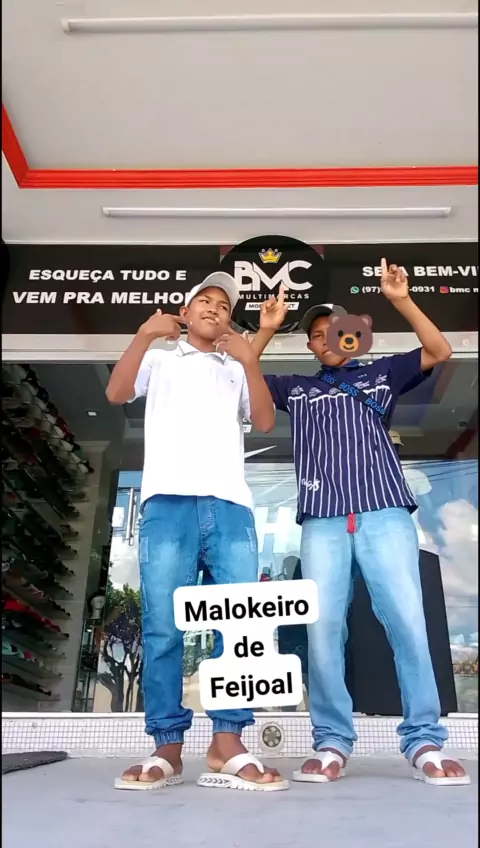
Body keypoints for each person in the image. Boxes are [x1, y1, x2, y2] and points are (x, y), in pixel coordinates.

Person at [250, 259, 470, 786]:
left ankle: (424, 740)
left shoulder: (381, 375)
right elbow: (242, 375)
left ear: (354, 336)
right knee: (324, 629)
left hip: (384, 511)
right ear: (311, 345)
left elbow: (439, 351)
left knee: (408, 623)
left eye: (336, 330)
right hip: (322, 519)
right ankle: (331, 741)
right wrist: (265, 330)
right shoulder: (295, 388)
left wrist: (401, 300)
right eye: (318, 334)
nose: (327, 338)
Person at [106, 271, 288, 792]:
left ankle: (227, 741)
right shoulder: (162, 358)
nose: (214, 308)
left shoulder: (236, 365)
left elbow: (265, 421)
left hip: (230, 505)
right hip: (168, 503)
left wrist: (251, 359)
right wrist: (145, 333)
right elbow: (117, 392)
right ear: (184, 314)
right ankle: (167, 746)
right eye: (204, 300)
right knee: (163, 626)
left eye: (224, 305)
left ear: (230, 321)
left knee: (242, 626)